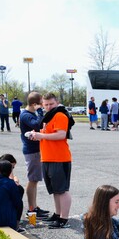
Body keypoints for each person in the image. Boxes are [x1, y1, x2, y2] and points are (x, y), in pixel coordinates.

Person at [27, 93, 74, 228]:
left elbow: (61, 134)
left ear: (57, 102)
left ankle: (64, 219)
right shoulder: (48, 116)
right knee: (55, 189)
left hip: (59, 158)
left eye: (51, 104)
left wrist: (40, 135)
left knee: (62, 190)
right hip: (47, 157)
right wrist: (37, 135)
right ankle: (58, 214)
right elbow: (48, 135)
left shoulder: (60, 115)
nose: (48, 107)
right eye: (46, 104)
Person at [19, 92, 50, 220]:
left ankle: (34, 207)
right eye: (41, 104)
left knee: (35, 180)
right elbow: (37, 124)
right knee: (32, 180)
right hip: (32, 151)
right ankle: (31, 210)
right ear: (34, 104)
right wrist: (40, 113)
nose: (43, 107)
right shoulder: (26, 115)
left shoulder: (29, 114)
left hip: (35, 150)